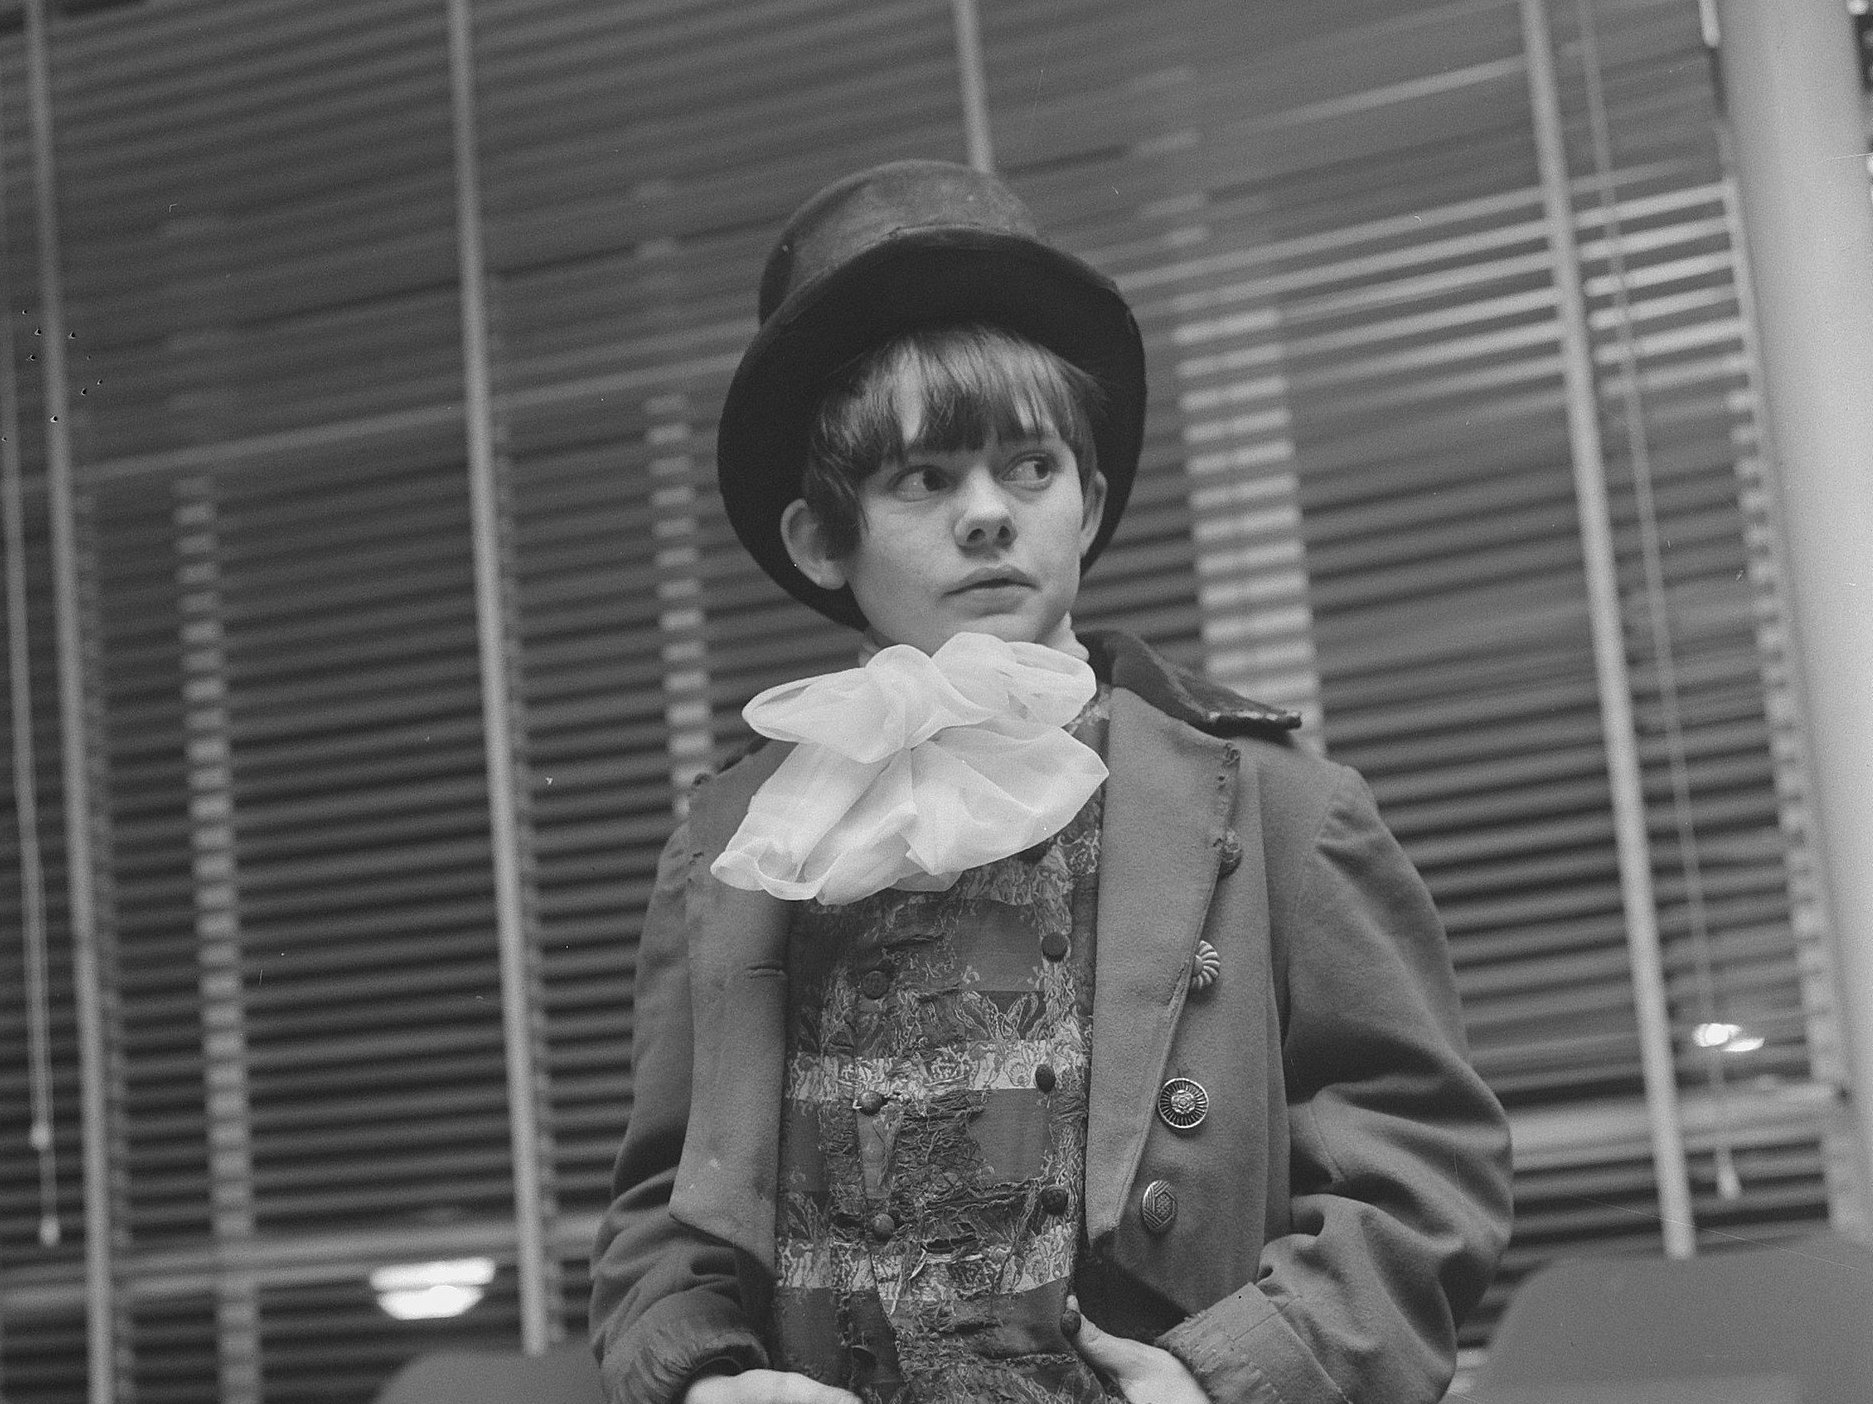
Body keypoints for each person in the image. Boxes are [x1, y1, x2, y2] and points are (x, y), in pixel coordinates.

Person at [590, 159, 1512, 1404]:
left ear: (1089, 506)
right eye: (922, 479)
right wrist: (705, 1380)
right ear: (822, 539)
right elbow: (662, 1207)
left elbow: (1420, 1163)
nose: (987, 514)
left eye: (1029, 469)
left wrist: (1235, 1375)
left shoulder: (1275, 801)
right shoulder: (734, 841)